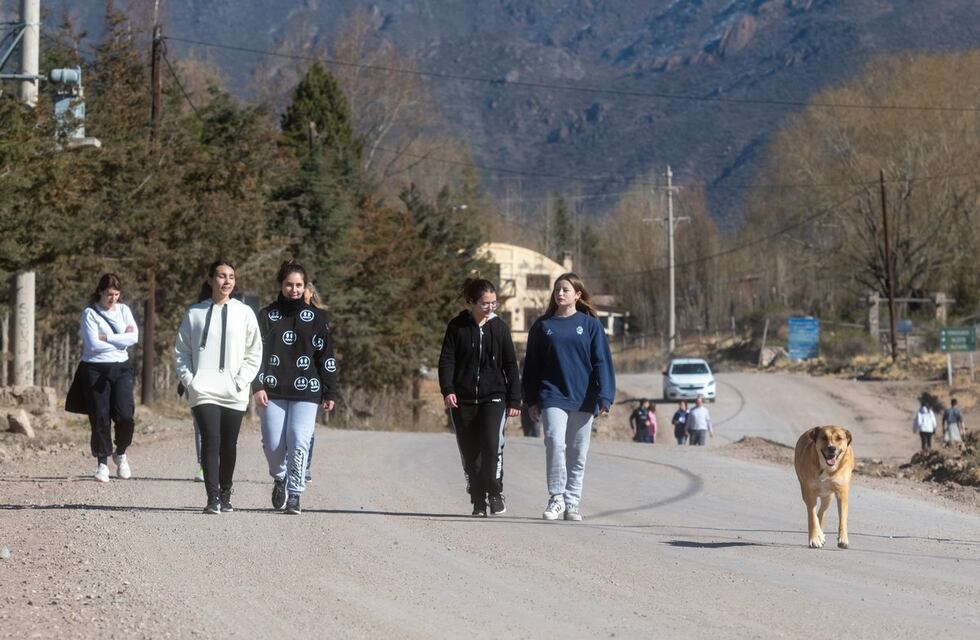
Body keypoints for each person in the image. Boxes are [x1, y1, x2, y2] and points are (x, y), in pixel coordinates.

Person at [523, 273, 616, 522]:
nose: (560, 293)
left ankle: (572, 502)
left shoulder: (590, 325)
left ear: (577, 295)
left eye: (565, 289)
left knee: (577, 452)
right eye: (557, 290)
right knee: (554, 441)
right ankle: (556, 498)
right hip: (552, 393)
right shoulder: (542, 326)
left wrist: (605, 395)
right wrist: (531, 399)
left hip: (584, 396)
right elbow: (531, 365)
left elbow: (602, 361)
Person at [174, 260, 262, 514]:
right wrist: (191, 382)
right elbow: (181, 352)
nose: (227, 281)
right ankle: (212, 498)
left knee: (228, 445)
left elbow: (254, 352)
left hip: (234, 390)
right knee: (211, 440)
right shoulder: (194, 313)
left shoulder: (245, 313)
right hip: (203, 390)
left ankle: (225, 492)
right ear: (210, 279)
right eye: (222, 276)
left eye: (231, 277)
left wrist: (241, 381)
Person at [252, 262, 338, 515]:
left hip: (307, 390)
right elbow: (255, 354)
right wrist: (257, 385)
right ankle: (280, 477)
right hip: (272, 389)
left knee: (299, 440)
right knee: (273, 445)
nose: (294, 289)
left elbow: (326, 357)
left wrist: (330, 391)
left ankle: (295, 494)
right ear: (281, 285)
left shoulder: (318, 319)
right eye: (289, 284)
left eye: (299, 285)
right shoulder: (267, 316)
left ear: (305, 286)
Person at [439, 278, 521, 517]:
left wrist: (514, 399)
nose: (490, 307)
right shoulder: (457, 327)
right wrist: (448, 389)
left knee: (492, 445)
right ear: (471, 302)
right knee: (470, 451)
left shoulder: (499, 328)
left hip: (494, 397)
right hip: (462, 398)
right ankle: (477, 499)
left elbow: (510, 365)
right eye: (485, 303)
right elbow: (447, 360)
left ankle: (494, 493)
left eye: (494, 303)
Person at [79, 273, 139, 482]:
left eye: (116, 294)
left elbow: (134, 337)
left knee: (126, 416)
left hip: (121, 367)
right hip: (95, 369)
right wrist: (121, 340)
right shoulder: (90, 313)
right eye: (109, 294)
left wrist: (108, 337)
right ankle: (102, 463)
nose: (113, 298)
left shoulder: (124, 310)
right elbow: (93, 344)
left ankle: (120, 452)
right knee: (100, 416)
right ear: (100, 292)